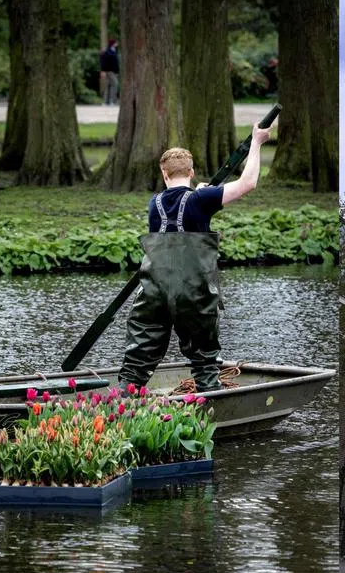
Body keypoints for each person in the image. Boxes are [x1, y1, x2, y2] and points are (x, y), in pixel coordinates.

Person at [118, 121, 274, 392]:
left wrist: (200, 194)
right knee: (203, 359)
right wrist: (257, 142)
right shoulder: (201, 200)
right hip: (194, 293)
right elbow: (248, 183)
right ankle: (210, 405)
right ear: (191, 172)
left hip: (153, 292)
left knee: (138, 358)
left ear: (164, 174)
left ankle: (120, 403)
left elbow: (179, 207)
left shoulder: (153, 205)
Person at [99, 39, 120, 105]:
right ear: (113, 43)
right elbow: (103, 61)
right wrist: (103, 71)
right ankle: (112, 101)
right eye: (116, 42)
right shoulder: (107, 52)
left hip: (114, 72)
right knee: (115, 84)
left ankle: (106, 101)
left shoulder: (115, 51)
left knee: (109, 86)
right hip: (109, 71)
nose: (117, 43)